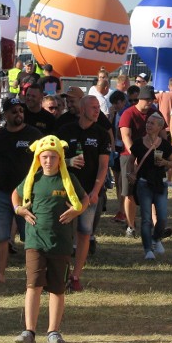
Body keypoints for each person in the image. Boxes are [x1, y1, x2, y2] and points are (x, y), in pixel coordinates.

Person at [12, 135, 88, 343]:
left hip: (60, 243)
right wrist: (20, 211)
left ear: (60, 159)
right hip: (35, 242)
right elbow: (15, 196)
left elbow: (85, 199)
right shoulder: (33, 180)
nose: (48, 161)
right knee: (33, 285)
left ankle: (53, 331)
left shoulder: (69, 179)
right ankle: (29, 331)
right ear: (38, 158)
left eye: (52, 157)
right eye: (44, 157)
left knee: (57, 288)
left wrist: (76, 211)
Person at [0, 98, 42, 284]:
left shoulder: (34, 135)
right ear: (5, 114)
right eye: (14, 111)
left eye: (21, 110)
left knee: (30, 237)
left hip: (28, 196)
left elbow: (44, 161)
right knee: (0, 236)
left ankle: (34, 275)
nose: (19, 114)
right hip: (2, 194)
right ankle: (0, 273)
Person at [56, 95, 111, 291]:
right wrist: (69, 162)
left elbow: (104, 167)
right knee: (63, 233)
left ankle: (76, 275)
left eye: (98, 107)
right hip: (65, 191)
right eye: (93, 107)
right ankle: (60, 272)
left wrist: (96, 191)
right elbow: (53, 159)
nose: (97, 111)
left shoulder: (101, 134)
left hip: (89, 193)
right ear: (82, 109)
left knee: (84, 233)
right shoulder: (65, 131)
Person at [129, 114, 172, 260]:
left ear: (160, 127)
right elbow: (131, 161)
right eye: (147, 122)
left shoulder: (165, 145)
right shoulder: (138, 143)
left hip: (160, 183)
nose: (148, 125)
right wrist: (131, 173)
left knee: (162, 218)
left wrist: (165, 164)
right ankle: (148, 249)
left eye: (152, 123)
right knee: (146, 218)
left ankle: (156, 239)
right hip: (143, 183)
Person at [118, 85, 159, 237]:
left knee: (152, 191)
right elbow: (125, 137)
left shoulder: (155, 113)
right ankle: (130, 225)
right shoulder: (128, 114)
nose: (150, 102)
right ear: (140, 99)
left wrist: (160, 157)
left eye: (152, 99)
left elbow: (163, 135)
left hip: (150, 158)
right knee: (129, 193)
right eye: (147, 99)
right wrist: (135, 156)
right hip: (129, 157)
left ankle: (155, 224)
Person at [109, 89, 130, 223]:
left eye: (117, 103)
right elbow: (109, 128)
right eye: (114, 103)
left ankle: (123, 210)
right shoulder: (115, 113)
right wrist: (110, 116)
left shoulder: (126, 113)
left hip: (124, 149)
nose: (116, 106)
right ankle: (120, 208)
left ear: (123, 101)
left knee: (123, 181)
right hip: (115, 148)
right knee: (117, 181)